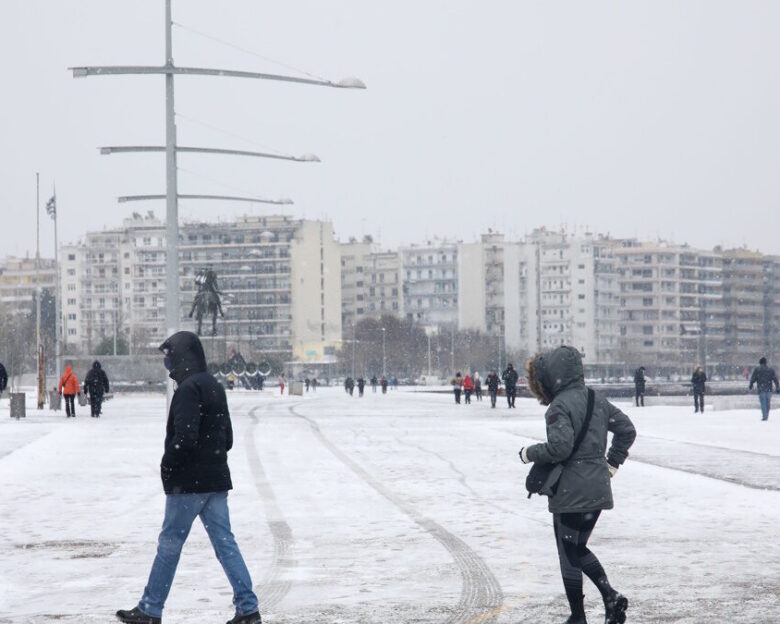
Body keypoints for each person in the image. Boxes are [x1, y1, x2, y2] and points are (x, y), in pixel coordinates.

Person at [115, 331, 261, 624]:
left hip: (188, 485)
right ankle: (248, 608)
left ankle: (150, 609)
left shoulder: (188, 390)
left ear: (181, 356)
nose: (167, 362)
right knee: (226, 545)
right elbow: (228, 438)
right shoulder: (215, 386)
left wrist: (167, 467)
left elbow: (184, 439)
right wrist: (211, 458)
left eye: (168, 356)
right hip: (216, 481)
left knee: (169, 545)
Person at [519, 345, 636, 624]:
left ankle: (597, 603)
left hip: (571, 490)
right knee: (576, 547)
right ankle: (593, 608)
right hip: (597, 487)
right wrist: (611, 464)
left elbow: (560, 448)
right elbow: (627, 430)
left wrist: (529, 453)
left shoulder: (559, 406)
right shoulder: (597, 399)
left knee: (570, 550)